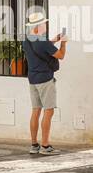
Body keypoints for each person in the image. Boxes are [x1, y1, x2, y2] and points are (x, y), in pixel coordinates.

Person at [22, 9, 66, 154]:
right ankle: (45, 146)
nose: (46, 25)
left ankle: (34, 145)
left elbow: (41, 47)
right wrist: (63, 43)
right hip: (45, 80)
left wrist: (54, 39)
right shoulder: (43, 42)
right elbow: (60, 55)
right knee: (49, 111)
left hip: (32, 79)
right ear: (39, 26)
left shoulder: (27, 39)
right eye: (44, 24)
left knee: (36, 110)